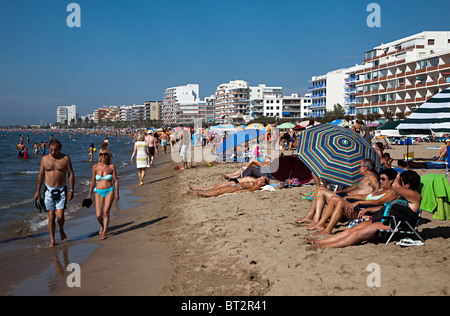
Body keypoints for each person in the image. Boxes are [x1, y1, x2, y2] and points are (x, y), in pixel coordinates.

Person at [307, 170, 421, 248]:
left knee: (357, 234)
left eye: (401, 182)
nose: (399, 184)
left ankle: (324, 246)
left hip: (392, 224)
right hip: (380, 218)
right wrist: (369, 211)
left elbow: (395, 186)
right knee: (350, 230)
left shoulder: (415, 196)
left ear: (407, 185)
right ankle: (320, 241)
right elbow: (385, 207)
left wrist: (397, 176)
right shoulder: (402, 196)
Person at [307, 168, 398, 235]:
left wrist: (358, 202)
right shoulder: (380, 190)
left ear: (391, 180)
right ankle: (321, 224)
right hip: (360, 210)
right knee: (335, 199)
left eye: (383, 179)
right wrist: (349, 196)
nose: (381, 181)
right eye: (380, 179)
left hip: (368, 214)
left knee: (340, 202)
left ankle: (327, 229)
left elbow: (378, 202)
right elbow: (365, 196)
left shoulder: (392, 192)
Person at [295, 158, 380, 226]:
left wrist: (358, 198)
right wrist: (339, 191)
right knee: (320, 190)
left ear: (366, 168)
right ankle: (311, 217)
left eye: (359, 166)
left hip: (350, 202)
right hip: (345, 197)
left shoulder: (372, 177)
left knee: (321, 191)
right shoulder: (365, 178)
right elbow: (353, 188)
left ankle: (314, 219)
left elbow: (377, 192)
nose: (358, 168)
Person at [33, 139, 75, 247]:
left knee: (60, 216)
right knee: (51, 215)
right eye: (51, 150)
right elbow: (41, 175)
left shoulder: (65, 159)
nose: (53, 152)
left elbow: (71, 174)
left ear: (59, 149)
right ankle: (52, 239)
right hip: (48, 190)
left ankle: (61, 229)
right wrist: (37, 191)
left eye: (55, 150)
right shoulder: (45, 159)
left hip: (61, 190)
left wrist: (71, 190)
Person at [87, 148, 119, 240]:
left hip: (109, 190)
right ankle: (102, 226)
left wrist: (117, 193)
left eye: (105, 154)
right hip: (98, 192)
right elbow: (93, 181)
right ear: (99, 156)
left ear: (108, 155)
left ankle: (104, 232)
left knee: (106, 213)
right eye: (101, 154)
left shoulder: (111, 166)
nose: (103, 156)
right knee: (98, 215)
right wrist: (89, 194)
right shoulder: (95, 167)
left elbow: (116, 181)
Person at [191, 176, 269, 198]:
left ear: (263, 183)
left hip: (238, 187)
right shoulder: (256, 181)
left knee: (219, 191)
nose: (261, 177)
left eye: (263, 178)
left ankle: (202, 194)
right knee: (218, 188)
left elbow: (252, 190)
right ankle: (202, 192)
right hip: (236, 185)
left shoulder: (258, 185)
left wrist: (241, 191)